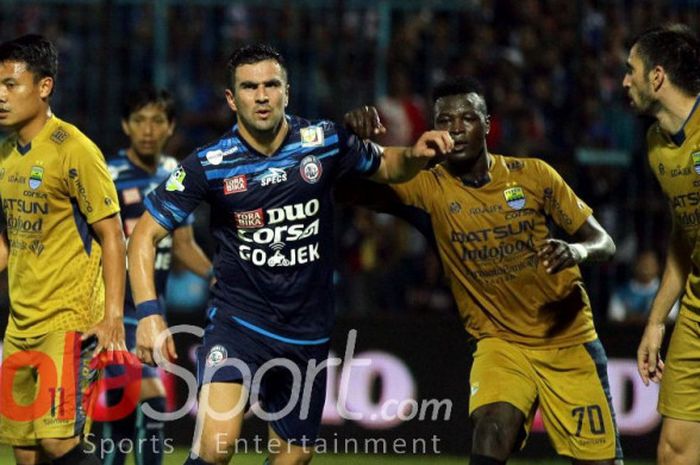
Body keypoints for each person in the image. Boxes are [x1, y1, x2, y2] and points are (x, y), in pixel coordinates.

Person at [127, 43, 453, 465]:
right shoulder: (208, 164)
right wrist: (150, 315)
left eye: (270, 85)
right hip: (239, 325)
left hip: (307, 334)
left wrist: (415, 155)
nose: (261, 96)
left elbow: (389, 166)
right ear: (231, 98)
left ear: (287, 91)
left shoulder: (324, 142)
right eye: (248, 87)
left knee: (294, 458)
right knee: (216, 447)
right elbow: (143, 236)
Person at [343, 76, 622, 464]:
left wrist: (576, 250)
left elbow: (604, 242)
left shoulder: (534, 175)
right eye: (445, 120)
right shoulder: (426, 186)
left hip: (568, 340)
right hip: (499, 343)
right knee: (491, 427)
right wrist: (347, 141)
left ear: (487, 124)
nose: (456, 129)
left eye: (467, 118)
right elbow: (346, 185)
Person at [0, 34, 126, 465]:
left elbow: (113, 234)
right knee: (25, 452)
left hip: (69, 323)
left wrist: (112, 316)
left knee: (58, 441)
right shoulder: (4, 154)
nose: (1, 96)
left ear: (44, 87)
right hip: (19, 326)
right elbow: (10, 241)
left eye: (11, 85)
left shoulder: (75, 150)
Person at [102, 87, 212, 465]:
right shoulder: (108, 174)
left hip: (153, 313)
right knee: (153, 401)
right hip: (114, 312)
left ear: (171, 127)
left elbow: (183, 245)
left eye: (157, 121)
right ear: (125, 126)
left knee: (121, 413)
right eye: (139, 121)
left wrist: (216, 276)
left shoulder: (175, 175)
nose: (148, 130)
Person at [624, 23, 700, 465]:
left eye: (630, 70)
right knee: (673, 450)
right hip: (694, 308)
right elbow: (684, 235)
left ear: (656, 77)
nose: (624, 81)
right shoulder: (656, 144)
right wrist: (656, 321)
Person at [608, 250, 678, 324]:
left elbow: (671, 319)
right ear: (634, 266)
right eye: (643, 264)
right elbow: (616, 319)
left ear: (658, 267)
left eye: (650, 264)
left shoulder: (668, 292)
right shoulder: (621, 293)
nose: (646, 268)